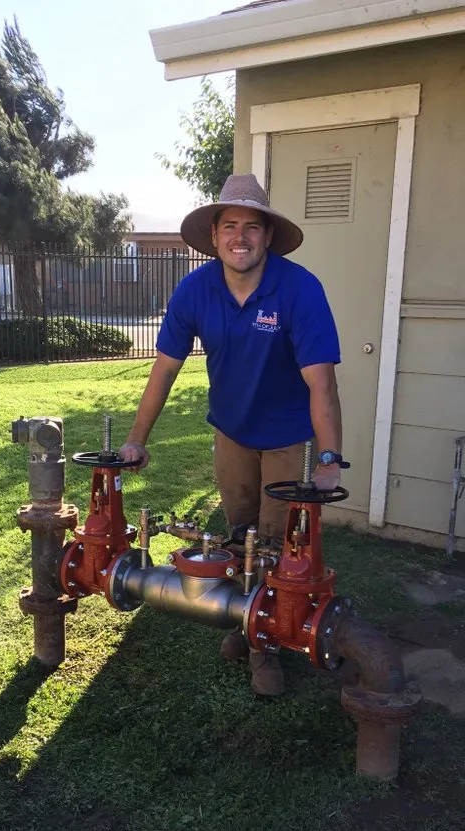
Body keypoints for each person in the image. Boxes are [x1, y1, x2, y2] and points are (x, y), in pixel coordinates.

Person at [119, 173, 345, 697]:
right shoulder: (195, 290)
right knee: (238, 532)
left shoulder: (300, 289)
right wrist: (136, 440)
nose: (240, 237)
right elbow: (164, 370)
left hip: (291, 437)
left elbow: (322, 383)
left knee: (277, 543)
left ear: (267, 236)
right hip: (232, 432)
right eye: (229, 226)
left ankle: (267, 650)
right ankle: (248, 625)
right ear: (215, 236)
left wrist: (330, 456)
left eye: (251, 226)